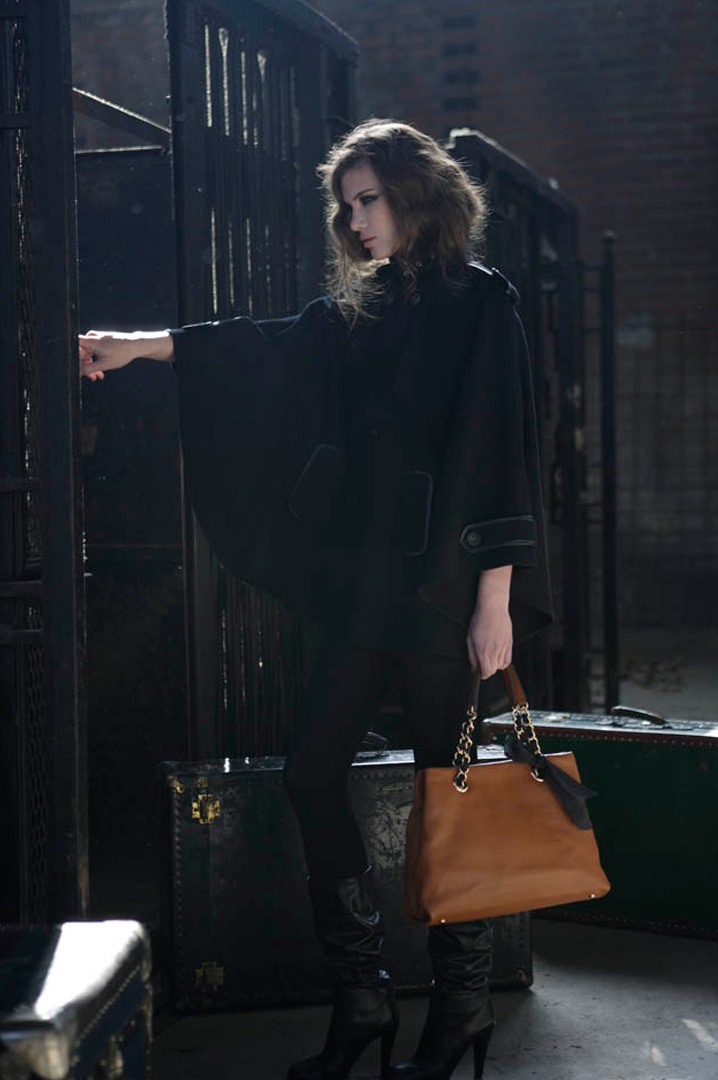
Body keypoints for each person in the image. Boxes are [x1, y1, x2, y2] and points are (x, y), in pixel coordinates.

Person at [80, 119, 553, 1080]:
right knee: (310, 772)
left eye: (368, 200)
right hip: (364, 584)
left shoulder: (482, 303)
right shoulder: (363, 307)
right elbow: (264, 351)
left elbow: (505, 450)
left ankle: (460, 1007)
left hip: (444, 589)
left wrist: (494, 601)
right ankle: (365, 998)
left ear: (416, 194)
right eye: (347, 206)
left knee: (449, 792)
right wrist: (137, 347)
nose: (356, 221)